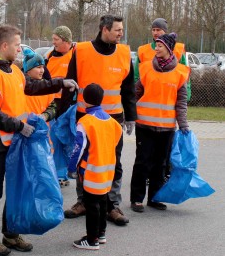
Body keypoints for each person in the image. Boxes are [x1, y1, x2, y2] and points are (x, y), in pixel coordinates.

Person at [0, 25, 78, 256]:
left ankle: (10, 234)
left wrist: (60, 82)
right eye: (18, 45)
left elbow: (31, 87)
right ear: (5, 45)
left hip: (16, 142)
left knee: (15, 190)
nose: (20, 49)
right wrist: (20, 126)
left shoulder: (13, 71)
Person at [60, 15, 137, 226]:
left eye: (121, 30)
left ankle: (112, 205)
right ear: (105, 29)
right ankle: (83, 201)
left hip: (113, 120)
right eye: (117, 30)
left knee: (113, 162)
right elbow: (69, 84)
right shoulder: (82, 50)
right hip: (85, 117)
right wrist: (61, 113)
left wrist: (131, 116)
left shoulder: (123, 53)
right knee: (84, 161)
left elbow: (129, 88)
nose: (121, 33)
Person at [130, 33, 190, 212]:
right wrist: (129, 114)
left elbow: (181, 102)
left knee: (161, 164)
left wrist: (184, 124)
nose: (156, 48)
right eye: (156, 45)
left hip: (167, 128)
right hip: (144, 125)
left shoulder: (180, 72)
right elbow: (136, 93)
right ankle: (137, 199)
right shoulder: (147, 68)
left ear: (169, 49)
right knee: (142, 162)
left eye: (160, 46)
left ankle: (155, 198)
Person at [68, 83, 122, 250]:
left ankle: (91, 240)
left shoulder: (85, 122)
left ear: (84, 100)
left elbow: (79, 148)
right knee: (103, 201)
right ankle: (101, 234)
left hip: (91, 171)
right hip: (107, 171)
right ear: (101, 99)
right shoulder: (113, 123)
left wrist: (71, 167)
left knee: (91, 205)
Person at [46, 25, 76, 186]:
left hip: (69, 103)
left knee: (68, 139)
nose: (53, 42)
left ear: (65, 40)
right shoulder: (50, 55)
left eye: (56, 39)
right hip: (52, 103)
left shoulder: (75, 54)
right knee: (54, 139)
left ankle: (69, 171)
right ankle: (59, 174)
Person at [134, 18, 190, 100]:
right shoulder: (143, 51)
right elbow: (136, 76)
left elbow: (185, 76)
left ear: (165, 31)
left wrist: (186, 94)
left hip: (169, 96)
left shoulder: (178, 50)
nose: (155, 32)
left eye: (158, 30)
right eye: (153, 30)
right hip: (147, 96)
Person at [23, 47, 57, 121]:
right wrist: (26, 119)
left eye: (43, 67)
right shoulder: (21, 86)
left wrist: (45, 116)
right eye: (38, 67)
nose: (42, 70)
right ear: (28, 70)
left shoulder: (46, 86)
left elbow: (53, 107)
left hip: (43, 129)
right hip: (25, 128)